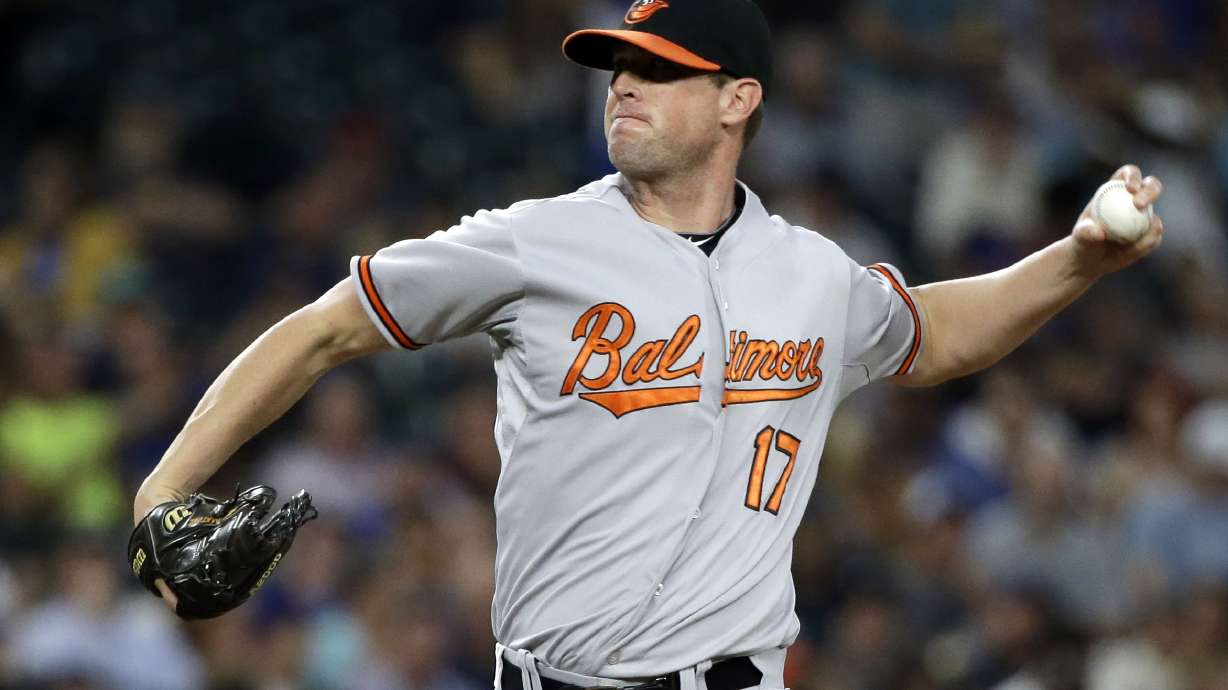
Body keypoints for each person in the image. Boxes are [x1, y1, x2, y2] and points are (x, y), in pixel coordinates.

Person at [133, 1, 1165, 688]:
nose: (622, 84)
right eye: (618, 66)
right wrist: (160, 492)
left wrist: (1074, 261)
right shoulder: (534, 240)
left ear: (737, 100)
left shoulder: (810, 274)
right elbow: (320, 330)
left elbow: (933, 333)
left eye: (659, 71)